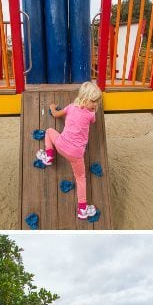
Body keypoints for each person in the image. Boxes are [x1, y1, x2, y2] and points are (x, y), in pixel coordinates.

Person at [36, 81, 102, 220]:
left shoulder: (71, 107)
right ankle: (82, 210)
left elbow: (55, 114)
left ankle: (48, 156)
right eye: (94, 101)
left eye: (97, 102)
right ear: (85, 98)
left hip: (61, 145)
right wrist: (91, 110)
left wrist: (52, 107)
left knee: (49, 131)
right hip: (76, 154)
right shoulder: (91, 115)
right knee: (80, 179)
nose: (96, 105)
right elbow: (93, 119)